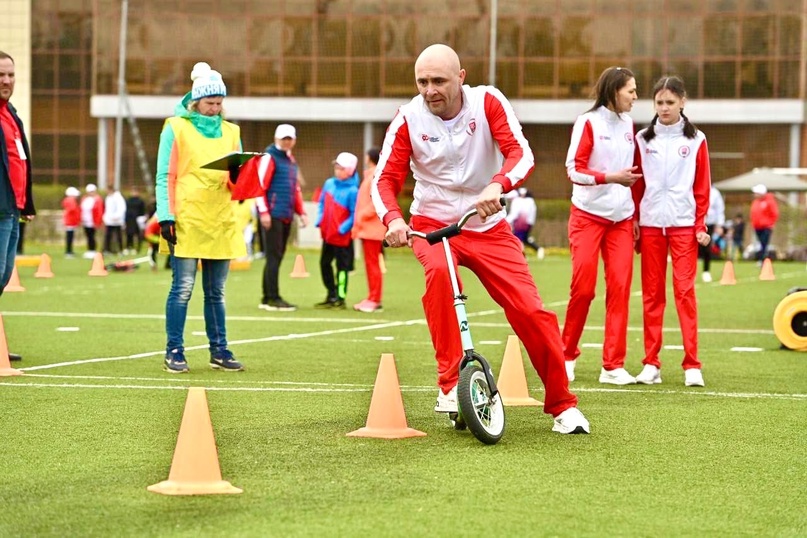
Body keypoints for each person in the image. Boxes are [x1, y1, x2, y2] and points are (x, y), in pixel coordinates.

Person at [372, 43, 588, 434]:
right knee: (439, 276)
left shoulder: (488, 102)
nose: (429, 90)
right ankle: (451, 385)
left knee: (530, 310)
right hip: (433, 225)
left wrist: (497, 185)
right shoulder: (407, 119)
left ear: (461, 78)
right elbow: (384, 179)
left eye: (438, 80)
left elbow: (520, 153)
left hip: (487, 226)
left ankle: (562, 404)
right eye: (422, 82)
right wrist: (392, 219)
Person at [155, 61, 246, 373]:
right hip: (187, 220)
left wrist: (243, 176)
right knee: (182, 288)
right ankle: (174, 350)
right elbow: (164, 175)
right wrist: (165, 216)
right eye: (210, 102)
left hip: (220, 219)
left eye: (220, 102)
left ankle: (219, 349)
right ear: (195, 101)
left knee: (216, 292)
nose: (215, 108)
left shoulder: (233, 131)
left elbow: (239, 180)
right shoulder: (175, 127)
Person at [562, 66, 641, 386]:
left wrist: (633, 215)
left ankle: (613, 365)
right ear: (613, 91)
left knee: (620, 290)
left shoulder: (628, 123)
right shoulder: (588, 122)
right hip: (587, 216)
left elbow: (632, 176)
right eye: (631, 91)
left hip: (621, 220)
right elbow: (573, 170)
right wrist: (610, 178)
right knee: (583, 289)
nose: (636, 97)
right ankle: (566, 355)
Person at [632, 75, 711, 388]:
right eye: (659, 103)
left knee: (684, 292)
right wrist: (636, 219)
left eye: (670, 102)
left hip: (683, 225)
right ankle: (651, 364)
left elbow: (702, 186)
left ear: (682, 102)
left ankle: (692, 364)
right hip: (651, 224)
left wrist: (700, 224)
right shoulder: (642, 139)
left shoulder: (696, 140)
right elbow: (636, 185)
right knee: (652, 296)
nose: (664, 108)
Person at [0, 51, 35, 362]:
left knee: (3, 275)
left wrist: (27, 203)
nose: (7, 80)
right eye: (1, 75)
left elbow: (20, 160)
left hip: (12, 209)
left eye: (10, 74)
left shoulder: (10, 113)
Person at [255, 124, 309, 312]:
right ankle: (273, 297)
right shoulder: (269, 157)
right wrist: (263, 212)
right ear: (277, 138)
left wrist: (301, 212)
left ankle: (267, 296)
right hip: (273, 214)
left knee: (276, 256)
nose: (287, 142)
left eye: (289, 138)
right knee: (273, 257)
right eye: (283, 138)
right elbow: (259, 186)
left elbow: (295, 189)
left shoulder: (290, 160)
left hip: (285, 214)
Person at [315, 152, 359, 309]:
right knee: (324, 263)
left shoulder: (353, 190)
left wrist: (343, 228)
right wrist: (319, 219)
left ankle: (340, 297)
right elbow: (321, 203)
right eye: (336, 167)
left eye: (341, 168)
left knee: (342, 268)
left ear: (349, 170)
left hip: (342, 237)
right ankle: (331, 293)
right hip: (328, 235)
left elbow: (355, 213)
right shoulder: (329, 184)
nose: (337, 170)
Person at [352, 147, 386, 312]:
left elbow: (376, 202)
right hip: (367, 228)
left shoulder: (375, 175)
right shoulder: (370, 175)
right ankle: (372, 296)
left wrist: (361, 217)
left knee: (373, 265)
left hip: (372, 228)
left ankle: (375, 298)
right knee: (370, 264)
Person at [505, 187, 545, 259]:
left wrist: (506, 221)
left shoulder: (517, 201)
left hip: (520, 223)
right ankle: (537, 249)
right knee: (524, 239)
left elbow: (514, 214)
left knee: (518, 239)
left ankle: (521, 255)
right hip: (528, 223)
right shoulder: (530, 201)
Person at [699, 185, 725, 282]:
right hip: (694, 222)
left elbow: (719, 209)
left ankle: (706, 271)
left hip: (708, 223)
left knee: (707, 248)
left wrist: (719, 224)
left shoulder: (714, 192)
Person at [750, 183, 779, 263]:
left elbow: (774, 213)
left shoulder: (769, 201)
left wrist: (770, 224)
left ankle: (763, 259)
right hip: (757, 227)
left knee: (764, 243)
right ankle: (762, 258)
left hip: (766, 227)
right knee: (760, 243)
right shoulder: (756, 202)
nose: (755, 194)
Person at [80, 183, 103, 258]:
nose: (91, 193)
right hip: (85, 220)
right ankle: (89, 250)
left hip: (93, 221)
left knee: (92, 236)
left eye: (92, 191)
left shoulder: (97, 199)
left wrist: (98, 222)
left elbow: (99, 211)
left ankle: (93, 250)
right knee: (88, 235)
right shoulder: (85, 199)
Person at [102, 185, 126, 255]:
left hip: (117, 221)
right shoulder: (108, 197)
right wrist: (105, 217)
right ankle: (107, 250)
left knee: (118, 236)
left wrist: (117, 216)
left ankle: (120, 250)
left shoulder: (118, 197)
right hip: (109, 221)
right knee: (108, 236)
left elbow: (122, 208)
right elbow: (107, 209)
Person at [124, 187, 147, 254]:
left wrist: (142, 219)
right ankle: (128, 247)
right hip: (129, 220)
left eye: (135, 192)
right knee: (129, 234)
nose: (134, 193)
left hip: (137, 220)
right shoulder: (128, 200)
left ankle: (137, 249)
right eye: (133, 192)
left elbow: (143, 211)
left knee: (137, 235)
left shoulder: (140, 201)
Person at [61, 186, 81, 257]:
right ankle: (68, 252)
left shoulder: (68, 200)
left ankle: (69, 251)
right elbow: (72, 209)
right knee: (69, 236)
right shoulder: (70, 200)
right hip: (70, 221)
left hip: (70, 221)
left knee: (70, 236)